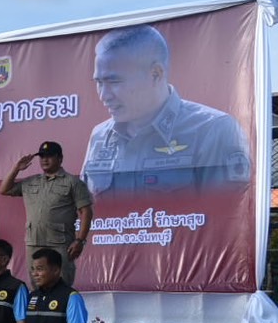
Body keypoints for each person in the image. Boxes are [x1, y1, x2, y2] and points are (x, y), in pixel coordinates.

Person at [80, 24, 251, 195]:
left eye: (114, 82)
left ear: (156, 74)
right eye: (99, 83)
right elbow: (83, 212)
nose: (103, 95)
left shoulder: (214, 130)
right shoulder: (100, 136)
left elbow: (228, 216)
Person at [0, 141, 93, 286]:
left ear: (60, 158)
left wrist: (80, 240)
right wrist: (16, 169)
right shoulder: (31, 182)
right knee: (36, 284)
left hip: (60, 243)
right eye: (42, 156)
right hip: (34, 242)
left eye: (49, 156)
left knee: (61, 285)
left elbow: (86, 212)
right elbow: (4, 189)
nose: (44, 160)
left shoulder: (72, 182)